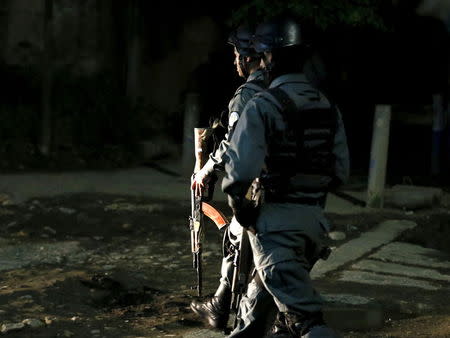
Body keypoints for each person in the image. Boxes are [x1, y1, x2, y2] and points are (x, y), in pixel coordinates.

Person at [222, 17, 349, 337]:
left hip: (275, 226)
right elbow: (340, 172)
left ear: (268, 58)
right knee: (259, 319)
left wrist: (243, 210)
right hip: (313, 224)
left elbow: (239, 175)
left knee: (304, 320)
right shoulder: (327, 105)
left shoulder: (262, 105)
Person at [189, 25, 268, 329]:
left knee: (238, 240)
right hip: (285, 184)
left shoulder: (249, 94)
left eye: (237, 55)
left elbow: (234, 144)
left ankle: (226, 309)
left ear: (248, 58)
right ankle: (222, 303)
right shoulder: (279, 86)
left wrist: (207, 168)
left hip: (255, 184)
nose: (234, 61)